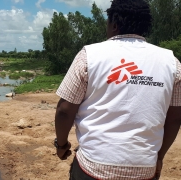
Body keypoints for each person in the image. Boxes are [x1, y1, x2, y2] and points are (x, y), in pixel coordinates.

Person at [54, 1, 181, 180]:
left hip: (94, 167)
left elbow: (64, 111)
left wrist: (61, 145)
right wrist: (158, 158)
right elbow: (175, 118)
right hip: (144, 169)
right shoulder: (171, 62)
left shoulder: (89, 55)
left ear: (114, 24)